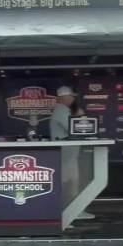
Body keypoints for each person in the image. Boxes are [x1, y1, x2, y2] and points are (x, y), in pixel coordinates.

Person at [50, 86, 94, 220]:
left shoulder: (64, 110)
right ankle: (72, 212)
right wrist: (80, 116)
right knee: (70, 183)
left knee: (72, 182)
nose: (73, 99)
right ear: (64, 97)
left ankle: (74, 211)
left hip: (69, 155)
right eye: (71, 97)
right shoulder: (61, 110)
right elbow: (74, 128)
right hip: (66, 155)